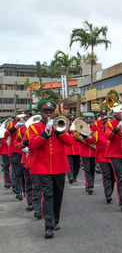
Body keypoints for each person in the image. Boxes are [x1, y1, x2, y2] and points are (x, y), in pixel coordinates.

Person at [28, 101, 74, 238]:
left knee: (58, 194)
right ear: (41, 114)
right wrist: (46, 132)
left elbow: (70, 142)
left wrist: (59, 132)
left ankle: (55, 221)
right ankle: (48, 226)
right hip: (43, 167)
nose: (49, 114)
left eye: (51, 112)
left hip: (59, 166)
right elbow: (32, 144)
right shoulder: (34, 127)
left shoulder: (60, 125)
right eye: (46, 112)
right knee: (48, 194)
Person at [105, 105, 122, 211]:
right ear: (115, 113)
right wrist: (117, 128)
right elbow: (108, 136)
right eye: (120, 112)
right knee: (121, 176)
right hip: (115, 154)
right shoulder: (110, 123)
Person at [7, 112, 27, 200]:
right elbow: (5, 134)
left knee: (26, 173)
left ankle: (26, 191)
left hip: (26, 152)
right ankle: (19, 192)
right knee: (18, 173)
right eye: (20, 116)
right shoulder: (12, 124)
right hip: (15, 151)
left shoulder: (30, 125)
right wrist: (15, 127)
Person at [79, 112, 97, 194]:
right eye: (87, 121)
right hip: (85, 152)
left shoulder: (95, 128)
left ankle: (91, 184)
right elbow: (75, 138)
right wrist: (78, 137)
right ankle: (88, 185)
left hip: (93, 151)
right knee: (87, 169)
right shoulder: (80, 128)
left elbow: (96, 138)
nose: (88, 123)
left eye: (90, 121)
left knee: (92, 169)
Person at [65, 115, 81, 184]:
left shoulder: (77, 129)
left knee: (76, 165)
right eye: (70, 120)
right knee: (69, 164)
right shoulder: (65, 128)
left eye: (72, 120)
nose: (71, 122)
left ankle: (74, 176)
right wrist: (69, 131)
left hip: (77, 149)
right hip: (68, 150)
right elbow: (64, 135)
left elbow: (81, 136)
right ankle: (70, 177)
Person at [0, 115, 13, 189]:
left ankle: (12, 182)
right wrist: (6, 140)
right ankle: (7, 182)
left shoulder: (13, 128)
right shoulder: (2, 129)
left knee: (12, 167)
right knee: (6, 166)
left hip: (11, 150)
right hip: (4, 150)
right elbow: (2, 138)